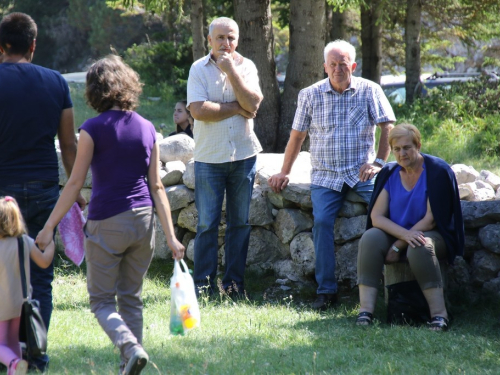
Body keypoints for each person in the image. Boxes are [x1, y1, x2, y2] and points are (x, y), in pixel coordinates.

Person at [36, 55, 185, 375]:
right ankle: (127, 366)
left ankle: (130, 348)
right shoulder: (147, 127)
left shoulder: (92, 129)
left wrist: (49, 227)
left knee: (102, 302)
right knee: (131, 298)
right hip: (144, 221)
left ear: (95, 91)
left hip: (107, 221)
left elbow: (75, 181)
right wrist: (171, 236)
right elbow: (157, 185)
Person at [269, 40, 395, 310]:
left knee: (388, 213)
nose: (338, 69)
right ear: (325, 67)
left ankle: (390, 282)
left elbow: (388, 127)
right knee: (323, 223)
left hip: (361, 172)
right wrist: (284, 172)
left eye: (343, 64)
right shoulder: (309, 94)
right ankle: (326, 291)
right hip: (326, 176)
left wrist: (380, 162)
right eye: (333, 64)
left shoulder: (369, 90)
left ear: (353, 65)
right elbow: (297, 137)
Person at [0, 12, 85, 371]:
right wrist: (76, 190)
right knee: (41, 280)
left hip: (2, 196)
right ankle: (35, 353)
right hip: (45, 191)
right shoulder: (56, 82)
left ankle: (6, 354)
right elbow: (68, 145)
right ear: (33, 45)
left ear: (2, 46)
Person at [356, 124, 464, 330]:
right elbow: (377, 217)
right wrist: (404, 236)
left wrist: (399, 245)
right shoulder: (389, 172)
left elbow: (432, 219)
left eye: (407, 147)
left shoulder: (437, 171)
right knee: (370, 238)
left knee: (419, 246)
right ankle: (365, 312)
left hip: (432, 232)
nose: (401, 153)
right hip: (400, 231)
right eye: (396, 149)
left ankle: (439, 315)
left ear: (418, 145)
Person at [187, 17, 263, 296]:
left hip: (244, 156)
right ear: (210, 40)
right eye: (220, 38)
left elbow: (253, 104)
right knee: (207, 224)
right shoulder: (198, 69)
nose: (225, 43)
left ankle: (234, 285)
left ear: (238, 40)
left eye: (230, 38)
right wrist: (235, 107)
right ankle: (204, 287)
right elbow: (198, 110)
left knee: (239, 223)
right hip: (209, 158)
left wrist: (231, 71)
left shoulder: (247, 67)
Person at [0, 196, 55, 375]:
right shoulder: (24, 241)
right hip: (20, 302)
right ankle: (15, 369)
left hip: (1, 304)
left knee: (0, 344)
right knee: (13, 341)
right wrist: (51, 242)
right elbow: (45, 261)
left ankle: (14, 362)